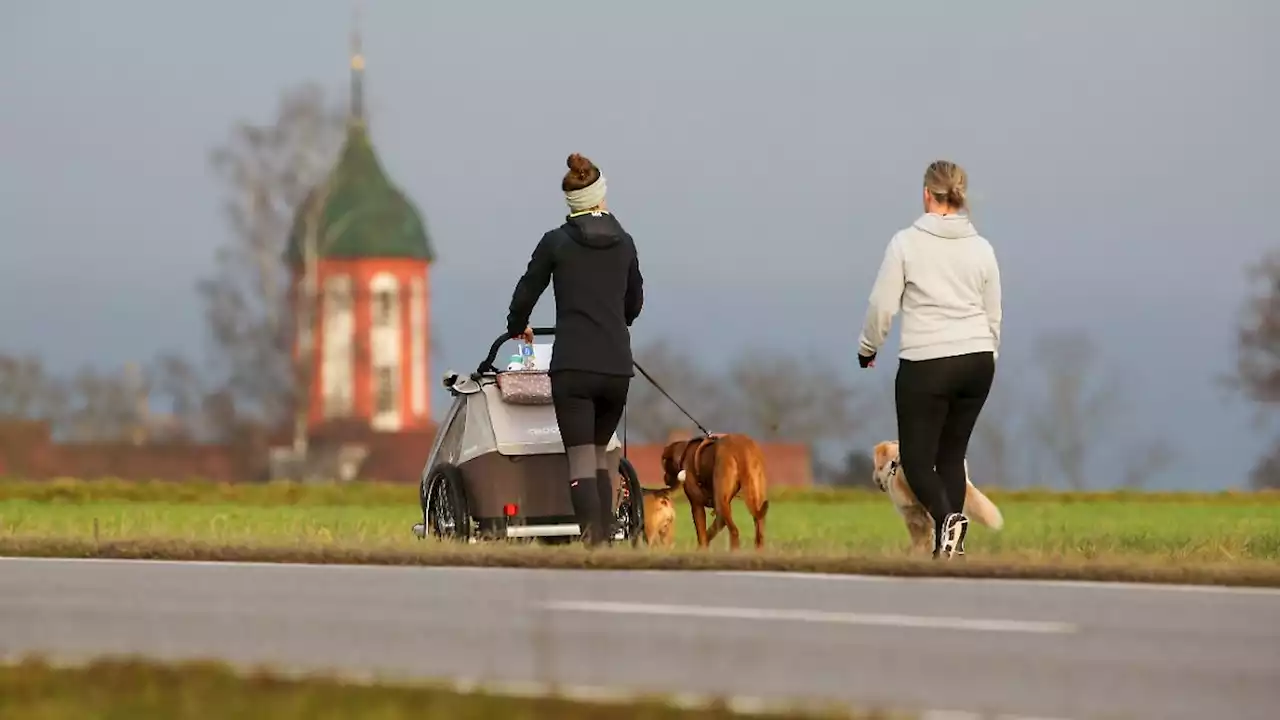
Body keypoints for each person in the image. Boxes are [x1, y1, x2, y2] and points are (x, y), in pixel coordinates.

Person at [856, 160, 1002, 559]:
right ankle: (951, 549)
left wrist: (868, 347)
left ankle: (946, 520)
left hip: (928, 361)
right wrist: (988, 354)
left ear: (926, 194)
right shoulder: (982, 248)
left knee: (918, 461)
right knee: (952, 456)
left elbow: (882, 306)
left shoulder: (906, 243)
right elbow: (994, 313)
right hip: (977, 362)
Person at [506, 152, 644, 547]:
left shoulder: (556, 243)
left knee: (582, 458)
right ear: (601, 196)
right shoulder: (626, 243)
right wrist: (615, 324)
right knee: (601, 455)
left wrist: (518, 327)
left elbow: (525, 292)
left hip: (574, 367)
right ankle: (607, 545)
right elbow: (633, 305)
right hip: (617, 366)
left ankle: (594, 544)